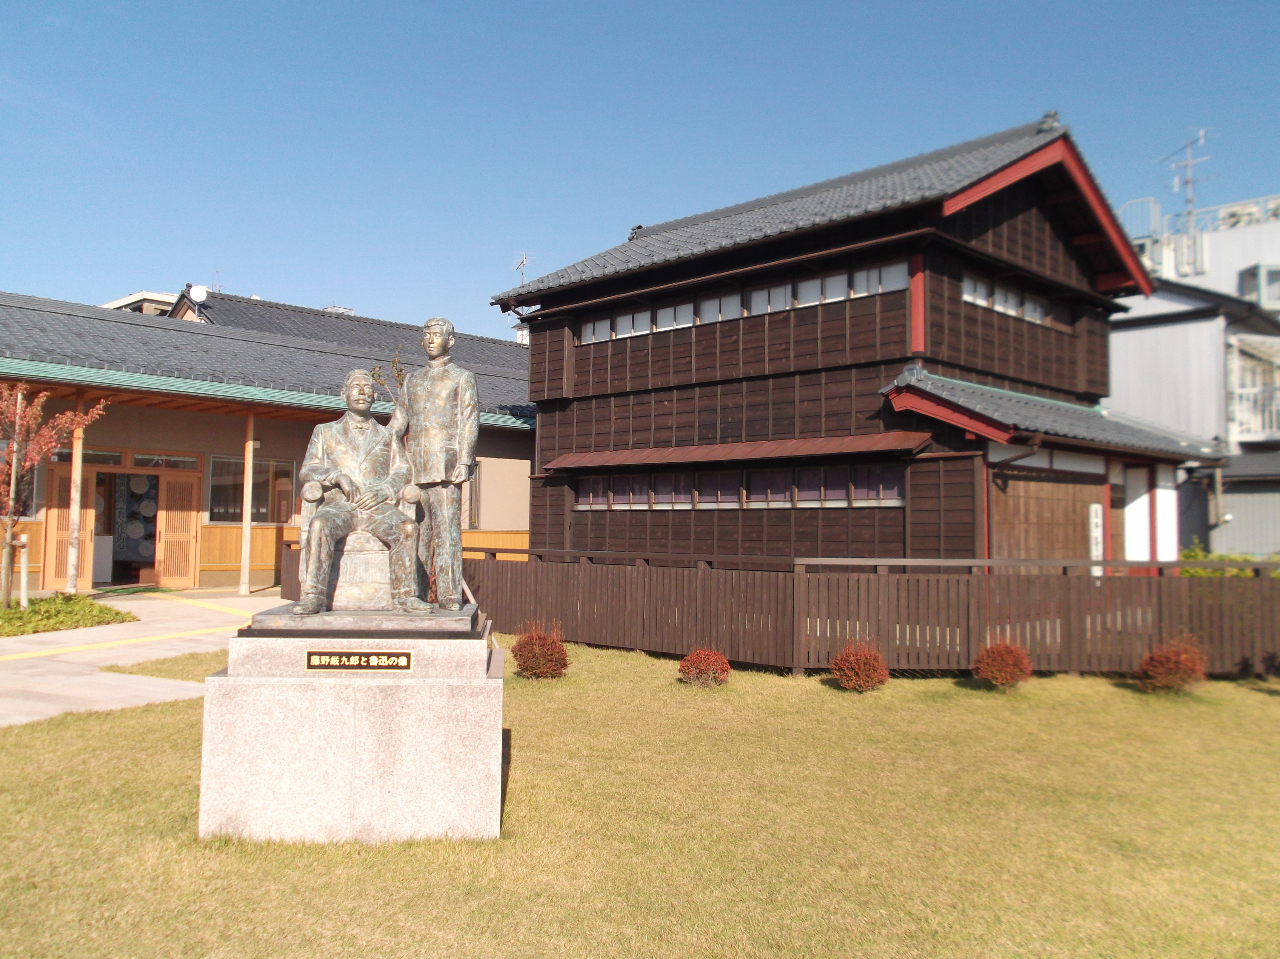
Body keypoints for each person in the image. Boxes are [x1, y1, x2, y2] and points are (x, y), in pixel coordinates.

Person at [294, 369, 431, 615]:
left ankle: (405, 597)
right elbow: (307, 470)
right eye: (355, 387)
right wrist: (335, 475)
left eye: (367, 387)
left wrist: (385, 489)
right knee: (319, 524)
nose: (361, 392)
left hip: (377, 508)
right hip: (340, 507)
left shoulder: (387, 434)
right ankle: (314, 595)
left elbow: (403, 470)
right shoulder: (324, 432)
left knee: (407, 528)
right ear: (343, 393)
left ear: (375, 395)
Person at [389, 317, 479, 611]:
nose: (430, 339)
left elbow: (468, 421)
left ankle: (450, 594)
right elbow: (399, 420)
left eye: (436, 335)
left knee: (447, 535)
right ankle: (415, 593)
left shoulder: (462, 377)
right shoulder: (412, 380)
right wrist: (383, 445)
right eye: (426, 334)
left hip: (445, 468)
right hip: (414, 468)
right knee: (415, 535)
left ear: (450, 341)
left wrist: (464, 461)